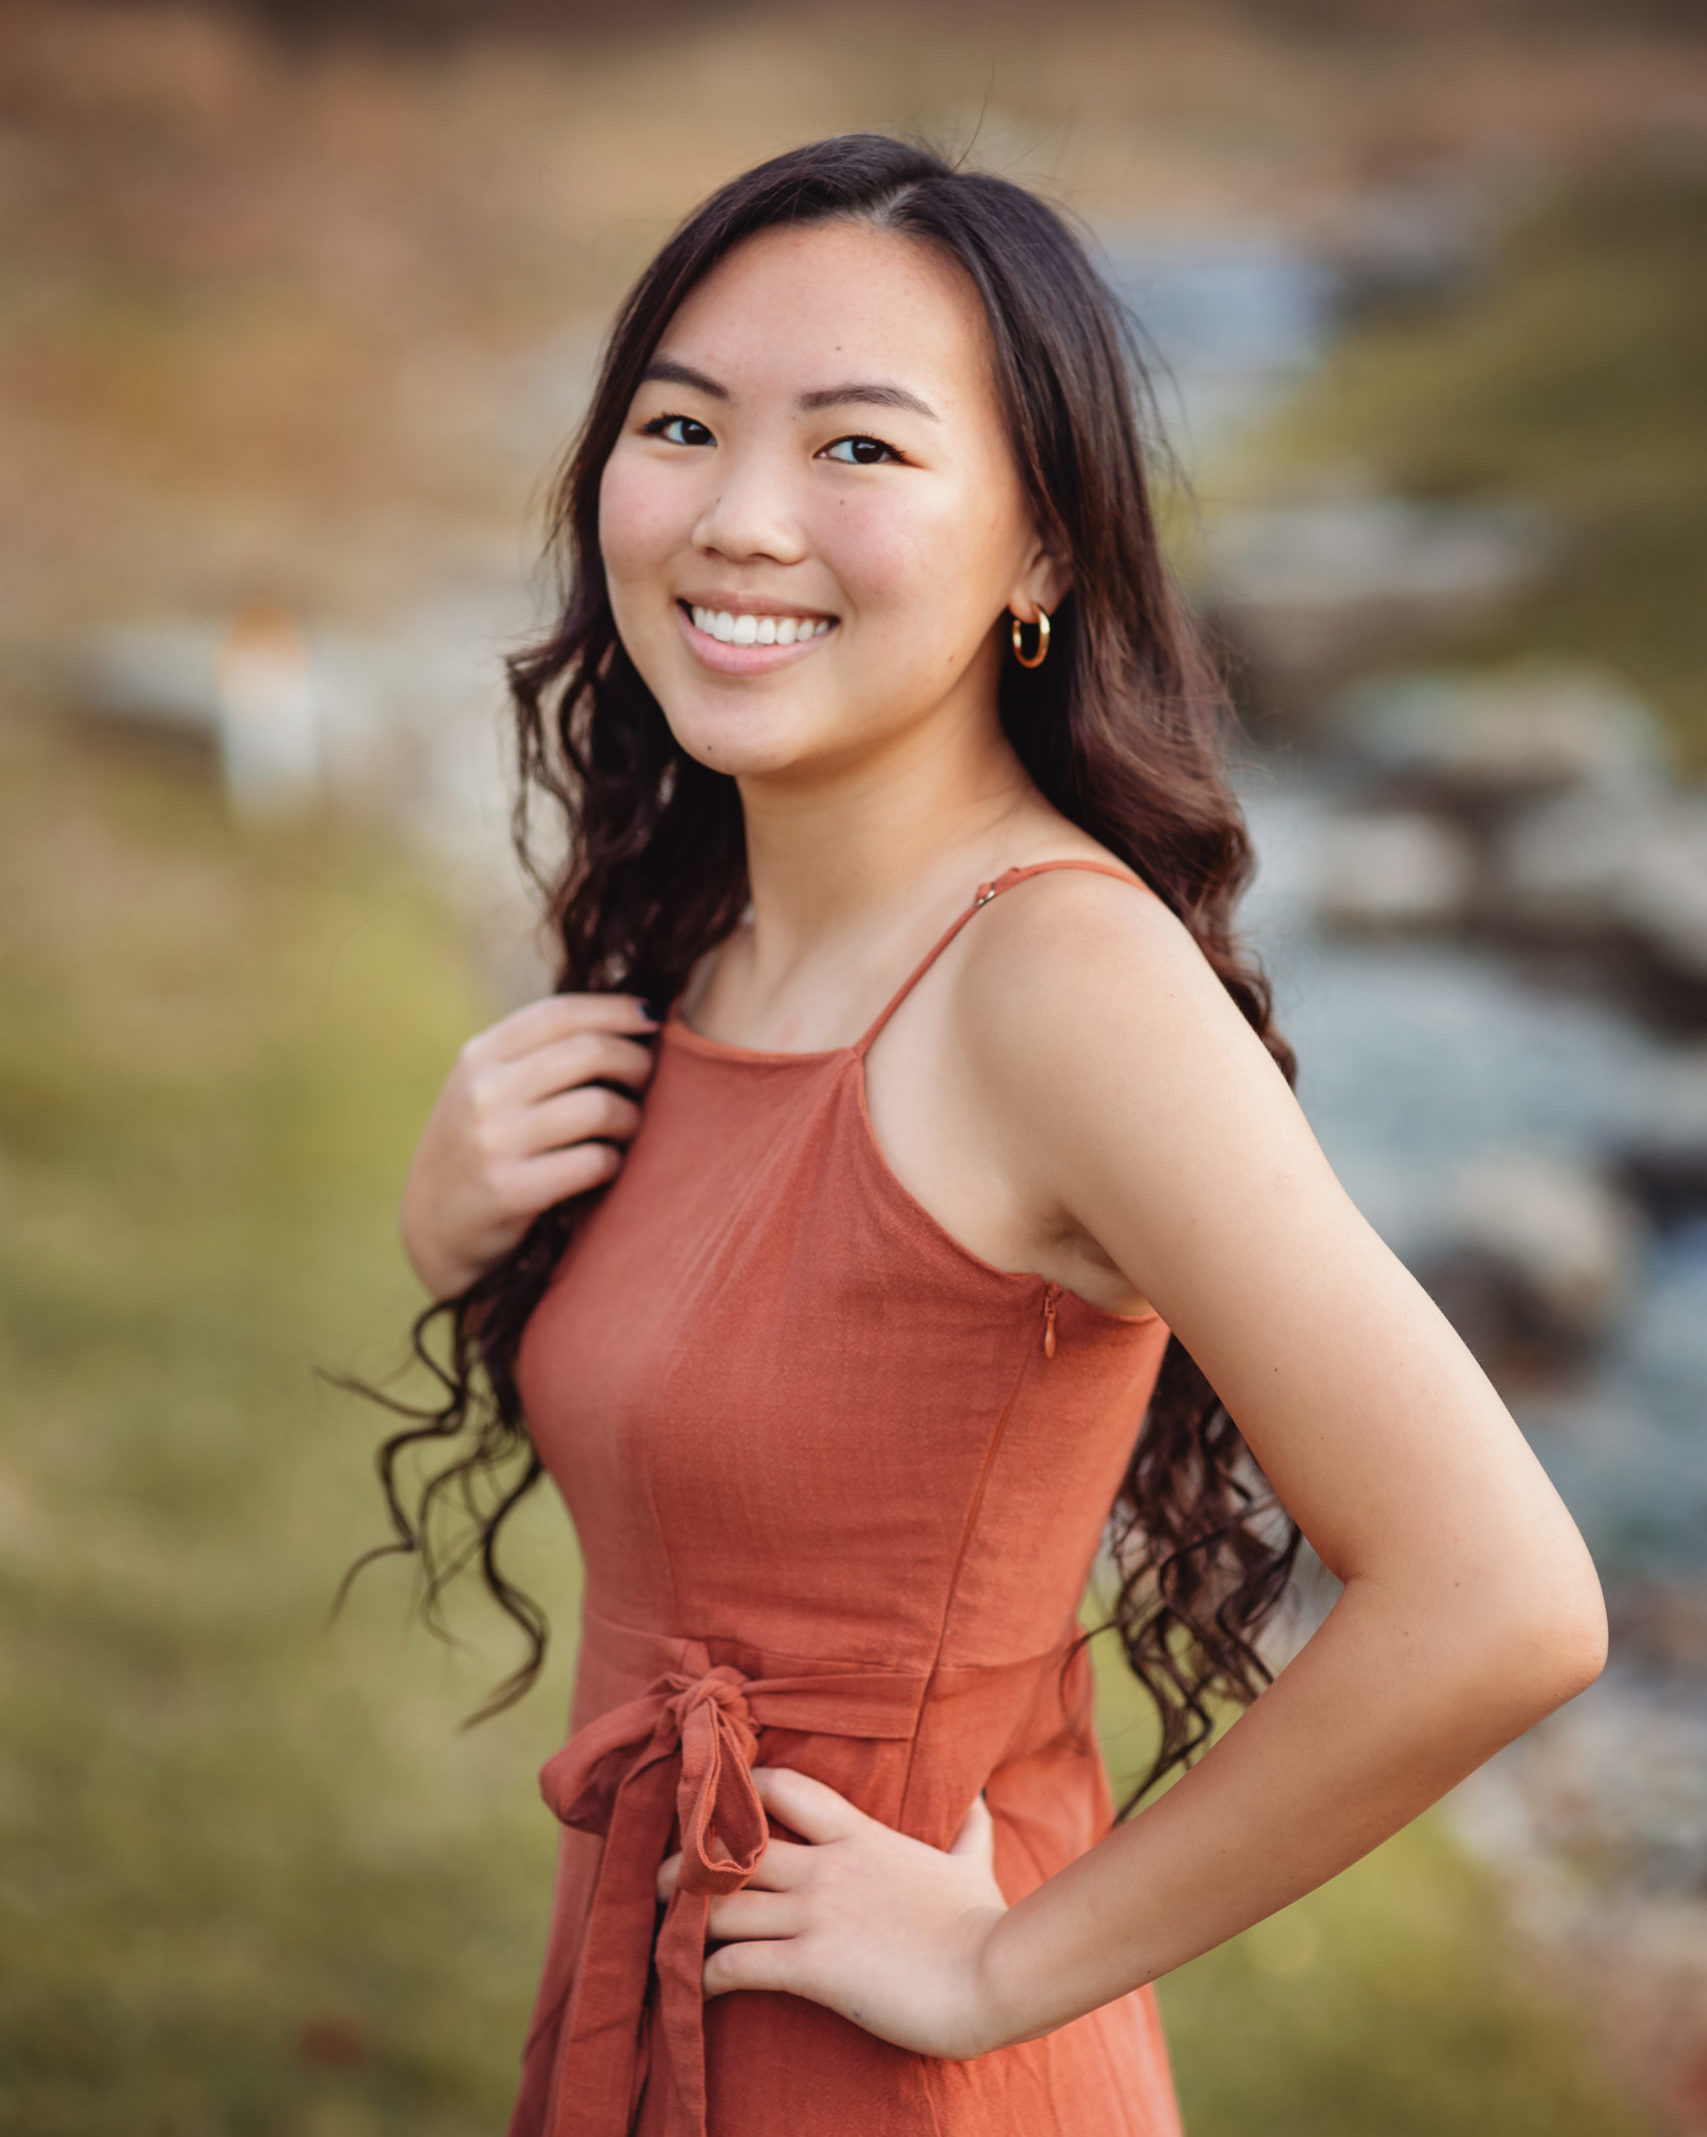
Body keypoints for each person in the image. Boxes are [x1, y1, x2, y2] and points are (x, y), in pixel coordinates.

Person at [368, 134, 1607, 2137]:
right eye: (681, 425)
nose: (739, 517)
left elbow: (1502, 1594)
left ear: (1039, 555)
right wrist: (471, 1241)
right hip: (657, 2010)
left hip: (892, 2070)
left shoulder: (1060, 986)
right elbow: (769, 1454)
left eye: (857, 450)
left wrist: (992, 1964)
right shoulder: (711, 938)